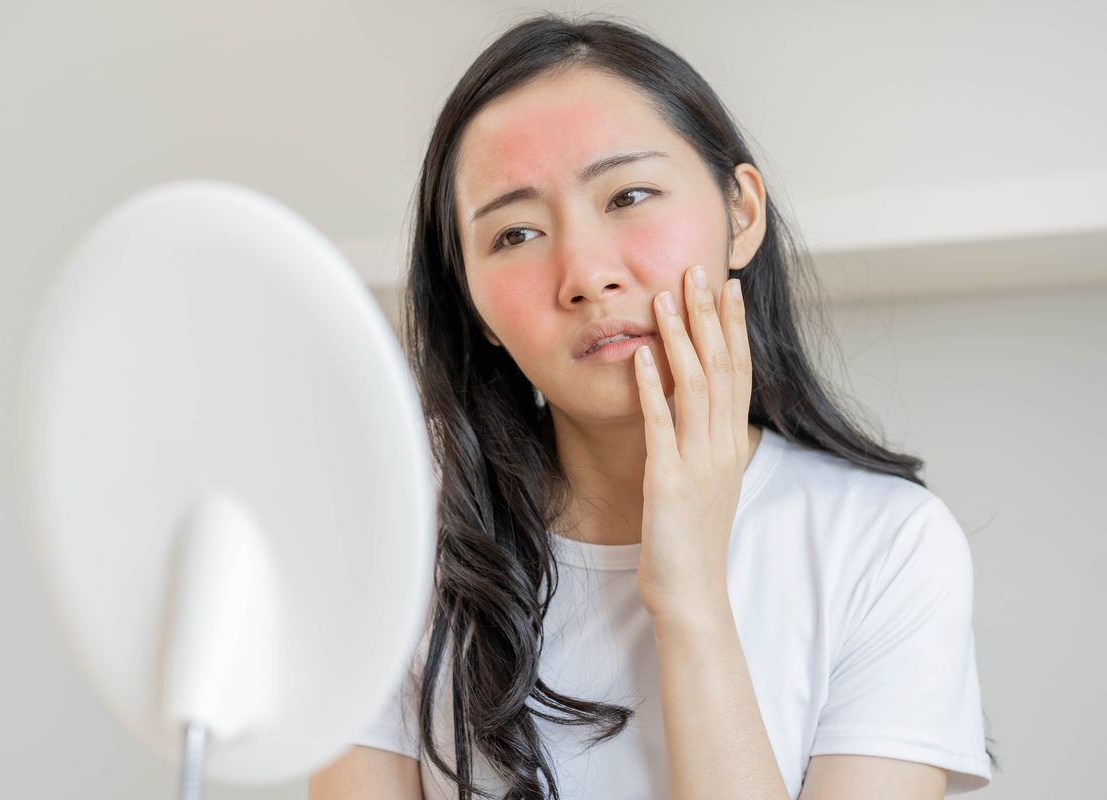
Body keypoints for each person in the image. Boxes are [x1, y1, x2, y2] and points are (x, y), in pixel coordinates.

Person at [309, 12, 997, 800]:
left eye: (629, 195)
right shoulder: (402, 529)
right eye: (515, 234)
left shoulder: (886, 547)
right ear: (471, 303)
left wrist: (692, 596)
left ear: (741, 214)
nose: (586, 273)